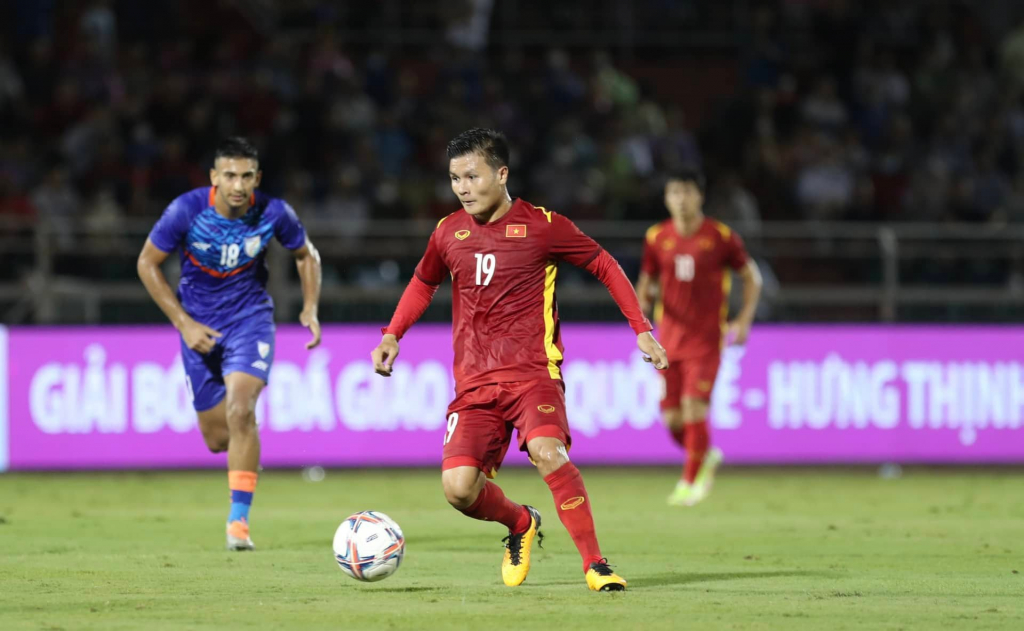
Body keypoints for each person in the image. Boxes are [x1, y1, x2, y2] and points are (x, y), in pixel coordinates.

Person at [371, 128, 668, 591]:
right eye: (455, 178)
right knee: (458, 489)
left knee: (548, 453)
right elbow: (423, 281)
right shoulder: (449, 231)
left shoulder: (543, 225)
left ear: (501, 173)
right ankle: (521, 523)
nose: (463, 188)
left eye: (472, 176)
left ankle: (596, 564)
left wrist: (642, 330)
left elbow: (604, 264)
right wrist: (393, 334)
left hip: (533, 376)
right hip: (474, 384)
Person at [137, 137, 322, 550]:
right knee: (219, 439)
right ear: (214, 178)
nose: (238, 185)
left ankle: (238, 522)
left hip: (250, 322)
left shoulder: (273, 212)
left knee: (242, 410)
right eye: (229, 175)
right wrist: (183, 324)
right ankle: (245, 454)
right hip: (198, 329)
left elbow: (306, 255)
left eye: (246, 176)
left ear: (257, 178)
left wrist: (310, 307)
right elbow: (146, 263)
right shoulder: (186, 210)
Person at [636, 170, 762, 506]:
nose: (681, 199)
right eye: (675, 192)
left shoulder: (720, 237)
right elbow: (645, 282)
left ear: (699, 196)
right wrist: (641, 313)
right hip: (668, 341)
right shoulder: (656, 237)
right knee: (672, 420)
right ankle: (704, 454)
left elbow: (753, 278)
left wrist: (744, 320)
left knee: (695, 406)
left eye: (687, 192)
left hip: (706, 341)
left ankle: (690, 482)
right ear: (667, 198)